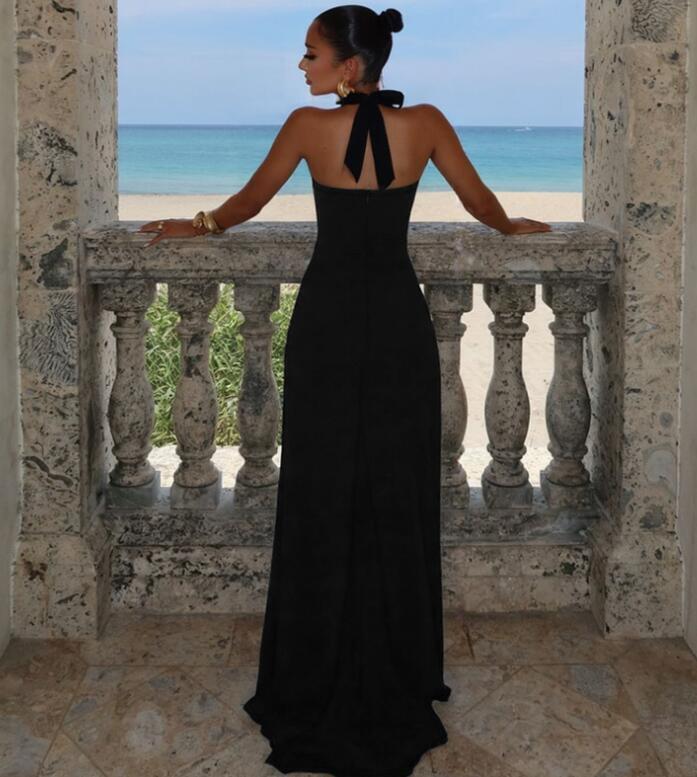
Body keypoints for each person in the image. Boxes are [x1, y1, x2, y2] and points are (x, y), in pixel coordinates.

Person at [139, 6, 552, 775]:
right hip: (395, 322)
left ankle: (312, 665)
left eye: (310, 54)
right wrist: (512, 227)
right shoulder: (426, 123)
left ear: (349, 66)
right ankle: (397, 662)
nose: (302, 67)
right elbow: (479, 204)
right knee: (394, 485)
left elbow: (243, 207)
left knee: (321, 487)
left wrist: (191, 224)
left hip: (327, 322)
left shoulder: (306, 127)